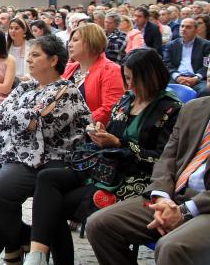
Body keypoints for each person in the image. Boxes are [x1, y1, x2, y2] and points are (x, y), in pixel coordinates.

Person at [24, 48, 182, 265]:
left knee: (54, 206)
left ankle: (49, 260)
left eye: (134, 80)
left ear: (151, 78)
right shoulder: (128, 99)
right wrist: (101, 133)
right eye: (127, 79)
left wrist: (118, 143)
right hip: (106, 166)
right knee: (47, 178)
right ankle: (37, 255)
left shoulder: (170, 110)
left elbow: (163, 159)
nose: (129, 86)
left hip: (134, 177)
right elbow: (114, 132)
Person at [0, 35, 91, 264]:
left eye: (35, 55)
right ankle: (22, 237)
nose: (28, 59)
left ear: (53, 60)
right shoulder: (26, 86)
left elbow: (41, 126)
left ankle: (13, 247)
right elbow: (0, 114)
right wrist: (25, 117)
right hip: (8, 149)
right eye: (29, 55)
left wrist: (21, 118)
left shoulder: (66, 91)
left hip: (42, 157)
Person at [86, 86, 210, 265]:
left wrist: (185, 211)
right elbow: (167, 158)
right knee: (99, 225)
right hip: (174, 197)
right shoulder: (193, 108)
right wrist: (161, 196)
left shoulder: (173, 106)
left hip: (204, 205)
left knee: (171, 247)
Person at [63, 23, 126, 125]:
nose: (69, 44)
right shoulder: (69, 68)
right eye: (70, 40)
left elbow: (109, 109)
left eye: (75, 40)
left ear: (91, 42)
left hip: (90, 130)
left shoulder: (111, 70)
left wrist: (73, 123)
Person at [163, 17, 210, 96]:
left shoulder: (206, 45)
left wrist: (196, 78)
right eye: (182, 26)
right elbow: (167, 64)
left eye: (188, 27)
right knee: (161, 89)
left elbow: (207, 65)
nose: (183, 29)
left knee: (205, 91)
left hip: (198, 80)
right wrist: (177, 77)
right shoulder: (171, 45)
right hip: (176, 78)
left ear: (196, 30)